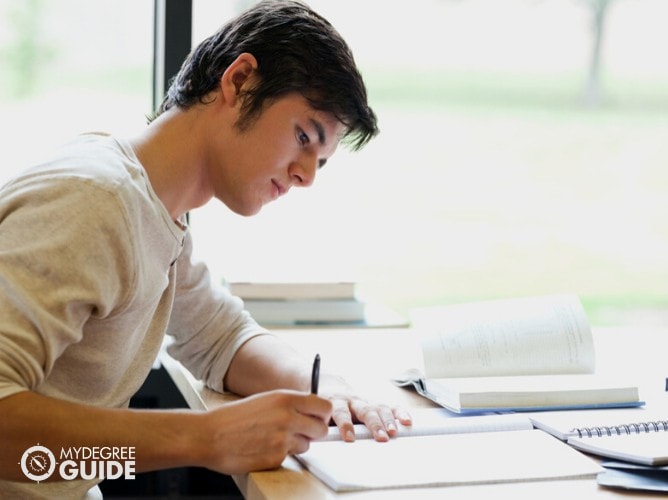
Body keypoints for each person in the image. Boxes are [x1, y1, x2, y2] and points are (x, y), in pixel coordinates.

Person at [0, 1, 410, 497]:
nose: (305, 176)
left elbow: (220, 336)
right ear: (238, 81)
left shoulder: (157, 212)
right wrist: (204, 439)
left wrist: (328, 391)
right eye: (303, 136)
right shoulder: (96, 203)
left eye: (319, 161)